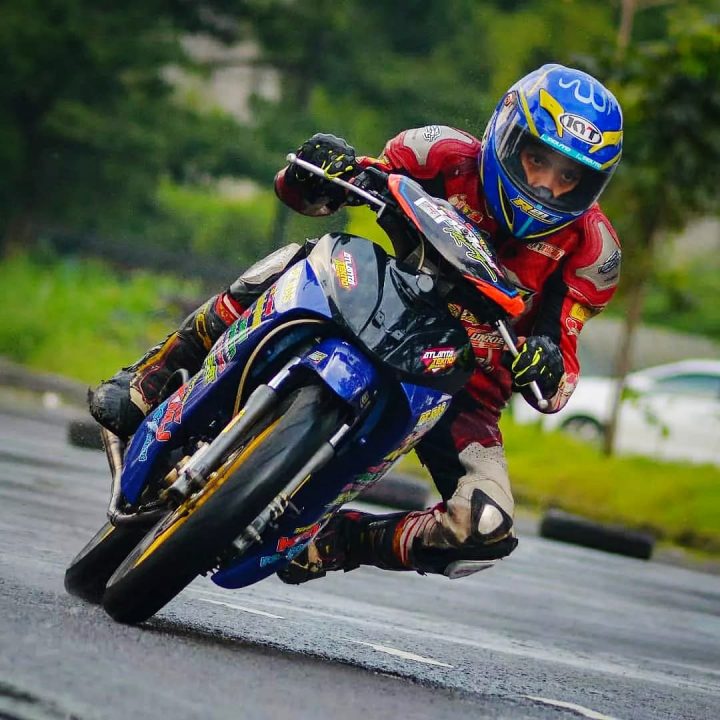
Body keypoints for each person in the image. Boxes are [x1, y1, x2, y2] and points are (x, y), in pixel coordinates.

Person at [89, 64, 623, 583]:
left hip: (466, 386)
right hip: (384, 296)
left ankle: (341, 541)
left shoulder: (593, 252)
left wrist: (546, 362)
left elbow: (557, 382)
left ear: (592, 185)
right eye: (536, 159)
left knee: (487, 526)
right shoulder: (438, 151)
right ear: (506, 136)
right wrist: (315, 169)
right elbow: (318, 192)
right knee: (294, 260)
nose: (546, 185)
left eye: (569, 176)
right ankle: (151, 376)